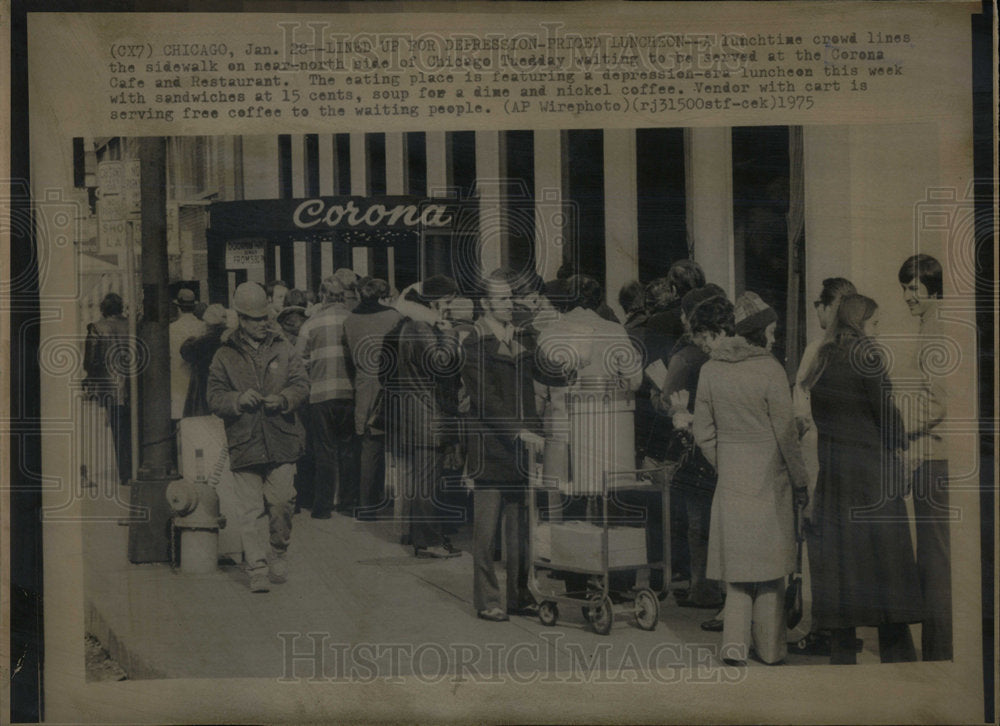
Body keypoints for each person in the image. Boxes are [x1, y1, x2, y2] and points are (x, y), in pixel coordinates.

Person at [801, 293, 923, 663]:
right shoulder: (866, 356)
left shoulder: (821, 359)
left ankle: (843, 658)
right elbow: (885, 414)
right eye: (873, 321)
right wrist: (904, 448)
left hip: (836, 476)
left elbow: (821, 417)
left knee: (844, 567)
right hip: (873, 473)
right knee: (887, 564)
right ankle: (899, 658)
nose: (877, 328)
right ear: (858, 322)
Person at [691, 296, 809, 666]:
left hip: (732, 476)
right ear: (758, 332)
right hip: (769, 477)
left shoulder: (711, 370)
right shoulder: (770, 370)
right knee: (771, 570)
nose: (773, 339)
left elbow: (702, 433)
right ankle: (771, 649)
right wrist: (801, 480)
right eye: (771, 332)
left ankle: (734, 647)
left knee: (738, 570)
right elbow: (787, 435)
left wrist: (724, 462)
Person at [206, 282, 308, 592]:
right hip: (245, 440)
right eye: (254, 318)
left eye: (265, 317)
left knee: (281, 502)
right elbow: (214, 396)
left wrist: (286, 398)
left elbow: (302, 384)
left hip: (282, 439)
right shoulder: (224, 354)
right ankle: (257, 567)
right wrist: (237, 400)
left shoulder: (283, 347)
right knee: (248, 510)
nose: (262, 323)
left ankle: (278, 551)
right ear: (239, 318)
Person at [462, 271, 542, 621]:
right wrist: (518, 431)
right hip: (491, 446)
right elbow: (485, 399)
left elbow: (541, 376)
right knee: (486, 531)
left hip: (522, 447)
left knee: (520, 530)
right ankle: (488, 599)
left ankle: (520, 594)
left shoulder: (523, 337)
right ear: (485, 304)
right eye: (503, 299)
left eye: (511, 298)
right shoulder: (474, 343)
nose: (511, 305)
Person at [789, 277, 857, 656]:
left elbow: (800, 410)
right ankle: (841, 627)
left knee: (818, 540)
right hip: (848, 457)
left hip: (817, 452)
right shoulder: (864, 348)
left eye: (820, 303)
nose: (816, 309)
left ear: (832, 307)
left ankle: (821, 628)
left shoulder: (818, 349)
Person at [653, 284, 728, 611]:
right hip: (723, 444)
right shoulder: (723, 355)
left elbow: (668, 401)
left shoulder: (685, 356)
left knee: (696, 521)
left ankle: (703, 588)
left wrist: (659, 398)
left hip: (692, 445)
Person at [386, 275, 464, 558]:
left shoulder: (412, 325)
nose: (450, 308)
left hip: (421, 413)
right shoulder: (421, 327)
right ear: (433, 302)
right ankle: (428, 541)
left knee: (426, 481)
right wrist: (451, 335)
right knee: (427, 484)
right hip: (427, 415)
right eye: (447, 302)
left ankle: (427, 538)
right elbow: (441, 363)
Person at [898, 253, 952, 661]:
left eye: (914, 288)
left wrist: (894, 427)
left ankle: (938, 653)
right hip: (933, 459)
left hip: (934, 460)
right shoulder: (932, 326)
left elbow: (936, 402)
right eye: (904, 287)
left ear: (933, 288)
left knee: (935, 560)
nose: (907, 295)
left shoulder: (936, 329)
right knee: (935, 558)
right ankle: (939, 649)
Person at [297, 276, 356, 518]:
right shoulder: (353, 321)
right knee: (349, 449)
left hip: (320, 394)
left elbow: (299, 361)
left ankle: (322, 507)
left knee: (324, 451)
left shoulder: (310, 324)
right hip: (349, 393)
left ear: (322, 296)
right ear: (342, 296)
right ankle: (348, 502)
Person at [343, 278, 402, 519]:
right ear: (385, 295)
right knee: (401, 448)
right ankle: (402, 505)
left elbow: (348, 357)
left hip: (364, 385)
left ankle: (367, 504)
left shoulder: (350, 320)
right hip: (392, 385)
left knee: (369, 447)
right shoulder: (394, 317)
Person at [83, 292, 132, 487]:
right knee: (133, 427)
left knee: (118, 431)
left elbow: (90, 361)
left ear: (103, 309)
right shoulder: (133, 326)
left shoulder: (97, 328)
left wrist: (92, 379)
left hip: (110, 387)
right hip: (134, 386)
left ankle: (125, 473)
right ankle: (135, 466)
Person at [180, 303, 229, 418]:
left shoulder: (205, 341)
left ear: (208, 323)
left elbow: (185, 351)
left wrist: (192, 338)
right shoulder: (230, 337)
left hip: (204, 388)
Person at [169, 288, 206, 422]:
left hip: (177, 381)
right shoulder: (203, 327)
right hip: (198, 383)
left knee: (179, 419)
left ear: (178, 307)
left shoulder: (171, 329)